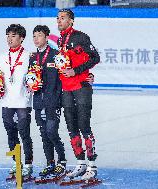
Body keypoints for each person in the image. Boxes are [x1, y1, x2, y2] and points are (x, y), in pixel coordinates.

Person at [56, 9, 100, 180]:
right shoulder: (60, 40)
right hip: (66, 89)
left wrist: (76, 71)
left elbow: (95, 58)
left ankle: (92, 166)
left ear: (71, 21)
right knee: (71, 127)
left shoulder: (81, 37)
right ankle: (80, 163)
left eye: (63, 18)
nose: (59, 21)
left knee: (84, 125)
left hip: (81, 87)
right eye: (57, 18)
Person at [28, 25, 67, 178]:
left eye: (39, 35)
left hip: (53, 101)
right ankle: (50, 163)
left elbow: (64, 77)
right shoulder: (32, 58)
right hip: (38, 101)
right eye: (34, 36)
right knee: (44, 133)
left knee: (52, 131)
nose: (36, 39)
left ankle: (62, 161)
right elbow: (30, 79)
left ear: (46, 37)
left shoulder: (56, 55)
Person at [0, 24, 33, 179]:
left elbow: (34, 78)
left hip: (22, 102)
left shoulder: (29, 56)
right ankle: (16, 162)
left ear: (21, 38)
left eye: (13, 36)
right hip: (6, 102)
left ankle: (28, 165)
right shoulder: (3, 56)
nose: (9, 39)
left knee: (24, 133)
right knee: (11, 134)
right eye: (8, 36)